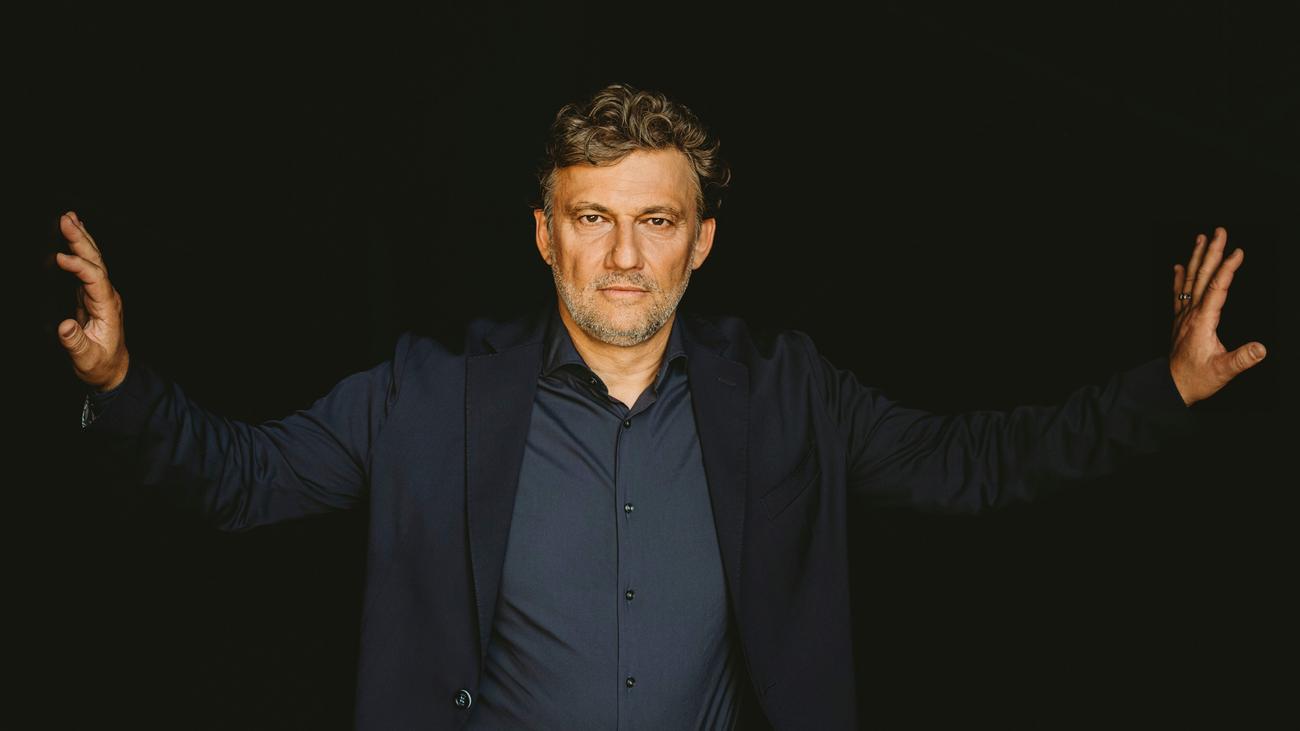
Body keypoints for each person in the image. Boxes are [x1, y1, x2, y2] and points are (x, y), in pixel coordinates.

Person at [55, 82, 1266, 730]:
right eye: (593, 217)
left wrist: (1162, 387)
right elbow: (245, 476)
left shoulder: (788, 393)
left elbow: (976, 462)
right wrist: (120, 382)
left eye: (656, 219)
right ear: (545, 235)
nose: (624, 255)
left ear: (702, 241)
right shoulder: (425, 393)